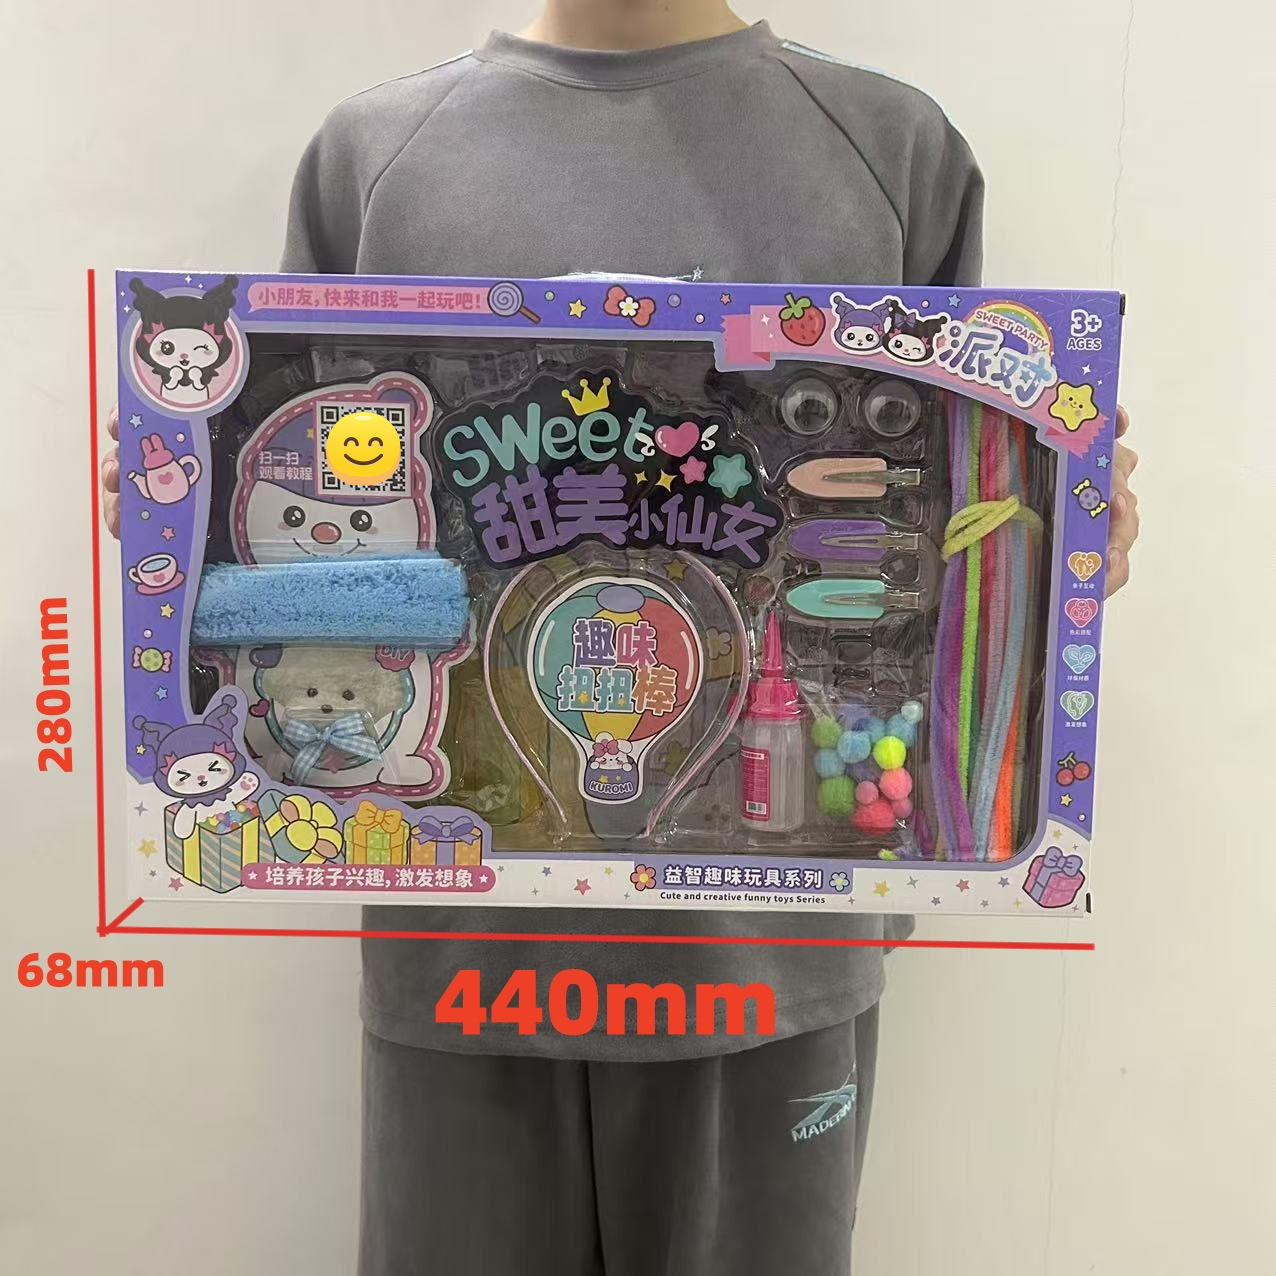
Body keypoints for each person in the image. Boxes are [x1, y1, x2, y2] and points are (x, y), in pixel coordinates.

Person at [101, 3, 1142, 1271]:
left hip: (773, 962)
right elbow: (303, 530)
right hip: (462, 951)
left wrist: (1050, 537)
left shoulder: (893, 148)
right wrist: (183, 514)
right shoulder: (370, 159)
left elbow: (950, 509)